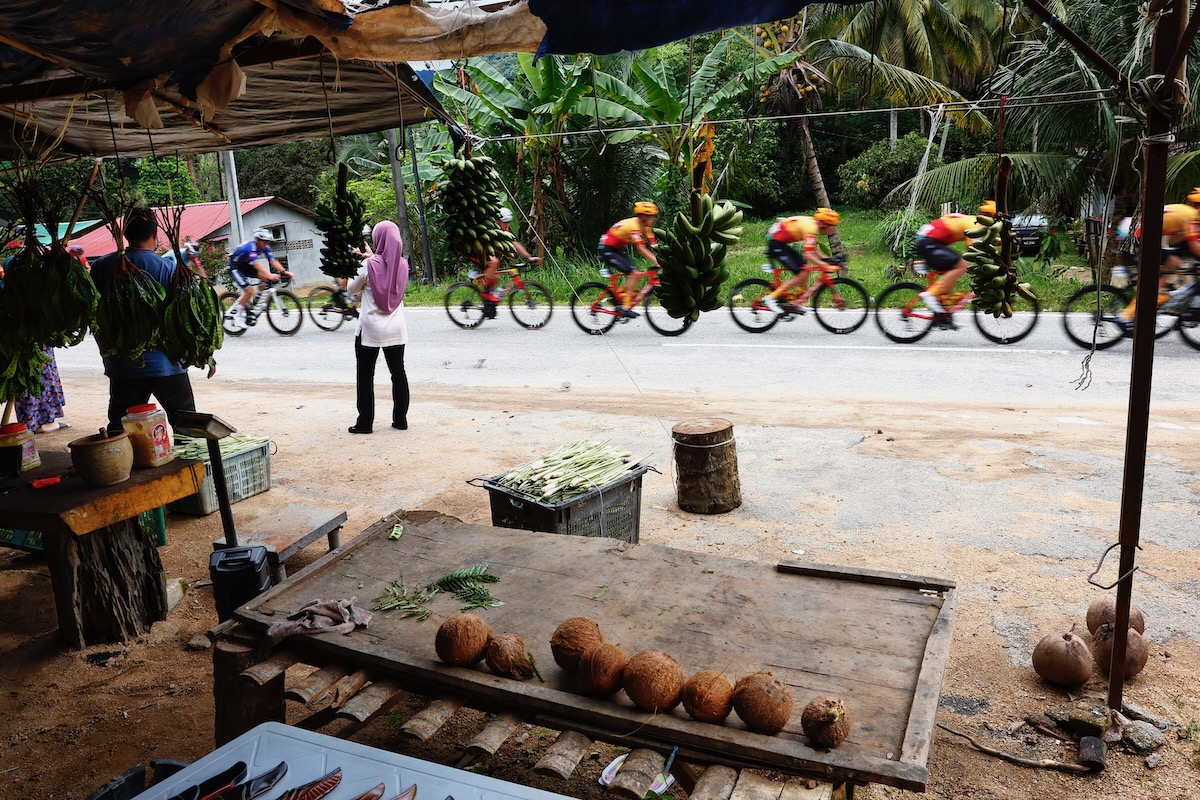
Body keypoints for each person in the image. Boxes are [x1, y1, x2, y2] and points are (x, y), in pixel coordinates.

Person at [89, 208, 196, 433]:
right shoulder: (171, 268)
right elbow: (185, 320)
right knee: (187, 427)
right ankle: (189, 468)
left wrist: (104, 350)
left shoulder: (101, 266)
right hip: (168, 365)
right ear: (155, 234)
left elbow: (93, 314)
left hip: (122, 365)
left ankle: (121, 468)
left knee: (120, 430)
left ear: (125, 233)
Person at [347, 220, 409, 434]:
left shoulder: (368, 265)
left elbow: (351, 289)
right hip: (396, 329)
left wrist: (366, 261)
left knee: (365, 375)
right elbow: (390, 272)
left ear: (378, 239)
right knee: (398, 372)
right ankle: (400, 420)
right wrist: (372, 258)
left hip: (371, 330)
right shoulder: (403, 264)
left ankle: (365, 423)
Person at [1119, 191, 1200, 327]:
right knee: (1167, 268)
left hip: (1130, 233)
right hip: (1135, 238)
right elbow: (1193, 247)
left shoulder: (1183, 211)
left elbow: (1174, 241)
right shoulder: (1191, 216)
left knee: (1172, 263)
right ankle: (1128, 314)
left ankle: (1157, 296)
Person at [913, 201, 995, 327]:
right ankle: (930, 294)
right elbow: (974, 249)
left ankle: (944, 315)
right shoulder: (975, 225)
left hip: (929, 240)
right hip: (928, 241)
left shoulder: (973, 221)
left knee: (953, 271)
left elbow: (982, 243)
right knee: (961, 265)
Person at [761, 207, 842, 315]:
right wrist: (825, 265)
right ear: (824, 224)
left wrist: (828, 260)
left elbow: (814, 250)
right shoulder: (811, 227)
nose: (833, 229)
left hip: (779, 241)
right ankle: (771, 298)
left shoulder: (813, 226)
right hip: (775, 243)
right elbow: (808, 254)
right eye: (832, 226)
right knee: (801, 272)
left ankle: (794, 302)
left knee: (804, 268)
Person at [598, 202, 661, 318]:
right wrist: (658, 262)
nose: (654, 218)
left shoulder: (646, 228)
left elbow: (654, 247)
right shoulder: (634, 227)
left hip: (616, 249)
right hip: (606, 248)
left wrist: (665, 259)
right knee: (635, 273)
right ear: (642, 217)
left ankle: (620, 298)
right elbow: (641, 249)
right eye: (651, 216)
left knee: (634, 275)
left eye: (654, 216)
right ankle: (625, 308)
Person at [480, 207, 542, 305]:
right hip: (477, 251)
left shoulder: (505, 231)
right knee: (495, 262)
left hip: (486, 254)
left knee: (495, 277)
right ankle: (486, 295)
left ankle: (490, 299)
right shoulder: (491, 228)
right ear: (497, 221)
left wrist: (529, 257)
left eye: (509, 222)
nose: (508, 225)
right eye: (505, 222)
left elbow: (514, 243)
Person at [228, 228, 292, 321]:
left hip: (246, 265)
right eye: (264, 242)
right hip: (235, 267)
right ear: (257, 240)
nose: (266, 244)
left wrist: (285, 271)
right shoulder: (251, 247)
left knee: (265, 279)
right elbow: (256, 264)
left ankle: (257, 299)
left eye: (268, 242)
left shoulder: (265, 247)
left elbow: (272, 260)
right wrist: (270, 275)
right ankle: (238, 315)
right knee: (249, 291)